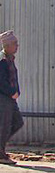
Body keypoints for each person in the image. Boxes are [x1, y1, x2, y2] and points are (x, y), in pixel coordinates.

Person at [0, 30, 21, 163]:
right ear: (7, 46)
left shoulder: (10, 59)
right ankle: (1, 155)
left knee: (17, 122)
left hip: (10, 98)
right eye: (15, 44)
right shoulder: (2, 61)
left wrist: (17, 91)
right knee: (4, 125)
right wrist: (11, 92)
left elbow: (13, 77)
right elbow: (1, 81)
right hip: (3, 98)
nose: (17, 46)